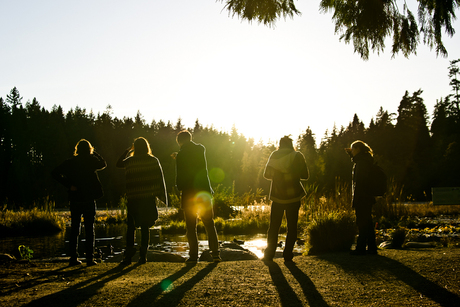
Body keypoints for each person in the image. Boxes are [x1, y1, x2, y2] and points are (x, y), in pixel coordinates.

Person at [52, 139, 106, 266]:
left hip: (75, 199)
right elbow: (103, 164)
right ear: (89, 150)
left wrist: (68, 185)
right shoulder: (91, 161)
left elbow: (54, 173)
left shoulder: (70, 162)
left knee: (75, 229)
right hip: (88, 199)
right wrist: (95, 153)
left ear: (77, 149)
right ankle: (89, 259)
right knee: (89, 229)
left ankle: (73, 258)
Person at [117, 137, 167, 264]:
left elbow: (118, 164)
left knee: (131, 227)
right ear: (147, 147)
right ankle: (143, 256)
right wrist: (160, 195)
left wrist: (127, 151)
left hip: (133, 199)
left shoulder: (130, 161)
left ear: (135, 148)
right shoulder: (153, 160)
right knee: (145, 227)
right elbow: (159, 179)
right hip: (147, 199)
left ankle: (128, 256)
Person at [175, 130, 221, 262]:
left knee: (191, 226)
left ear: (180, 141)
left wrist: (179, 187)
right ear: (190, 138)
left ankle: (193, 256)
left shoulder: (181, 155)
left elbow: (180, 174)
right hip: (204, 191)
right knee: (209, 223)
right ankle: (215, 254)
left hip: (189, 193)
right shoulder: (201, 149)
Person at [263, 135, 309, 263]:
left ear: (280, 144)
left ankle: (269, 254)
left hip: (277, 196)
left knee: (273, 226)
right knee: (292, 226)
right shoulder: (297, 156)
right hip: (293, 196)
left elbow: (266, 174)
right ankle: (288, 254)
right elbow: (305, 175)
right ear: (291, 144)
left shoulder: (274, 155)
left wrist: (278, 174)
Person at [345, 140, 378, 255]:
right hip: (366, 196)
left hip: (362, 197)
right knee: (367, 222)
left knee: (362, 222)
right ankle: (371, 247)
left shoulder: (362, 163)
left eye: (353, 149)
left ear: (358, 149)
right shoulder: (365, 160)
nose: (352, 152)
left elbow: (360, 182)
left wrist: (356, 199)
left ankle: (361, 248)